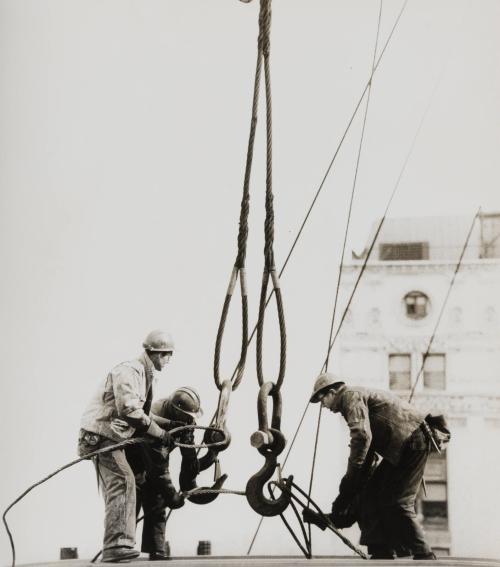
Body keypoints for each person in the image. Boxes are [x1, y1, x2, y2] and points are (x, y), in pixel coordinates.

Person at [304, 373, 450, 560]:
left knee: (398, 500)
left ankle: (424, 553)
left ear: (332, 392)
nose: (322, 406)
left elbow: (362, 437)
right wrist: (346, 494)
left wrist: (350, 481)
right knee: (370, 493)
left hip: (412, 442)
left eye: (321, 399)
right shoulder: (355, 399)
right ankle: (380, 548)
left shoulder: (350, 396)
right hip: (405, 445)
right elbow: (368, 455)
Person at [78, 330, 178, 563]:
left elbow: (141, 413)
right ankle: (116, 546)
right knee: (123, 481)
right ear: (155, 353)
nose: (168, 360)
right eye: (166, 355)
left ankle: (120, 543)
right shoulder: (130, 371)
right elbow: (131, 411)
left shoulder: (144, 375)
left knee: (128, 481)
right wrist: (160, 433)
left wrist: (172, 424)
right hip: (101, 436)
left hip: (112, 437)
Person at [125, 387, 203, 561]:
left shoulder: (183, 419)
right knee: (132, 502)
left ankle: (156, 549)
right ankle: (123, 548)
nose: (191, 420)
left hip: (152, 464)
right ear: (177, 411)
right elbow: (159, 468)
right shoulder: (154, 416)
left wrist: (191, 463)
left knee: (157, 501)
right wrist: (173, 496)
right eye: (188, 417)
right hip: (132, 464)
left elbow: (188, 454)